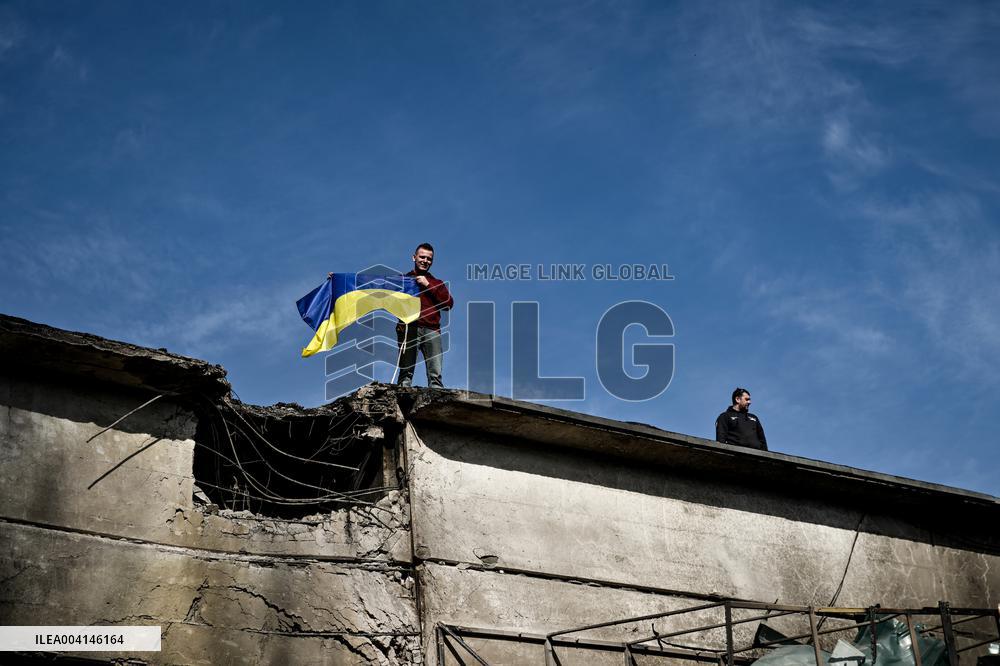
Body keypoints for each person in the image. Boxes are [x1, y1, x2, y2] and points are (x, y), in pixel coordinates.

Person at [396, 243, 453, 388]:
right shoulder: (402, 280)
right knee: (405, 372)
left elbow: (448, 303)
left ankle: (437, 395)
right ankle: (402, 394)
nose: (425, 261)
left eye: (429, 259)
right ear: (414, 257)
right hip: (409, 328)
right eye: (422, 257)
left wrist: (428, 284)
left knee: (435, 374)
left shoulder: (436, 283)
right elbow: (382, 292)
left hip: (432, 330)